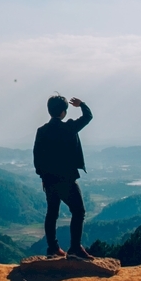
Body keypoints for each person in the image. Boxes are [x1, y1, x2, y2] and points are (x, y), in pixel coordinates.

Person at [32, 94, 94, 259]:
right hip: (66, 179)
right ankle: (74, 248)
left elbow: (37, 156)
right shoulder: (69, 128)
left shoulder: (42, 131)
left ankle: (53, 248)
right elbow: (88, 117)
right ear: (63, 112)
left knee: (52, 213)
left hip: (49, 180)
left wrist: (43, 176)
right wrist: (82, 104)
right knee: (78, 211)